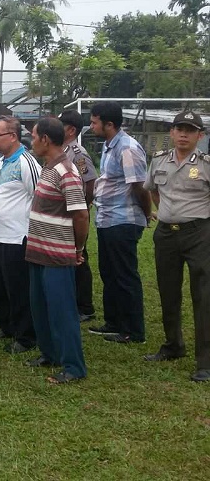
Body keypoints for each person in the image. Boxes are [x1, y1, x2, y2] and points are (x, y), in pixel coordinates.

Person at [143, 111, 210, 383]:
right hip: (166, 235)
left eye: (190, 130)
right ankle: (173, 345)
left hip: (199, 234)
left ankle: (205, 361)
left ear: (200, 136)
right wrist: (168, 213)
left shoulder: (206, 164)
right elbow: (153, 191)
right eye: (179, 129)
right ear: (171, 133)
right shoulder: (159, 161)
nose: (183, 134)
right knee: (168, 291)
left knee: (203, 296)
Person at [25, 117, 89, 384]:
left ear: (46, 140)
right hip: (38, 252)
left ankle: (73, 366)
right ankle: (49, 353)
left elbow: (81, 215)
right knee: (40, 308)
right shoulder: (48, 168)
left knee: (62, 311)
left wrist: (77, 248)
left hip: (56, 254)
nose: (31, 141)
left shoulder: (67, 171)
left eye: (34, 136)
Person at [89, 101, 151, 344]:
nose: (91, 126)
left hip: (123, 220)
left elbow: (139, 186)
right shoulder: (108, 145)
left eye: (95, 122)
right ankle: (113, 322)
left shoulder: (127, 148)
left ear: (109, 124)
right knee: (109, 273)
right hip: (107, 220)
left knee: (125, 275)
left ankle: (133, 330)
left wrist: (145, 215)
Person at [0, 117, 41, 354]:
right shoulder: (1, 161)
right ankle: (7, 326)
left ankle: (26, 336)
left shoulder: (26, 162)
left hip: (17, 237)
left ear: (13, 136)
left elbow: (39, 199)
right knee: (0, 286)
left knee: (19, 288)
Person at [59, 109, 98, 322]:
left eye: (60, 125)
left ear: (71, 129)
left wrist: (83, 205)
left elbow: (90, 183)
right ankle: (74, 301)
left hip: (77, 212)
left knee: (80, 257)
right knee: (70, 255)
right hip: (66, 212)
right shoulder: (63, 150)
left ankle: (85, 307)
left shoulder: (77, 153)